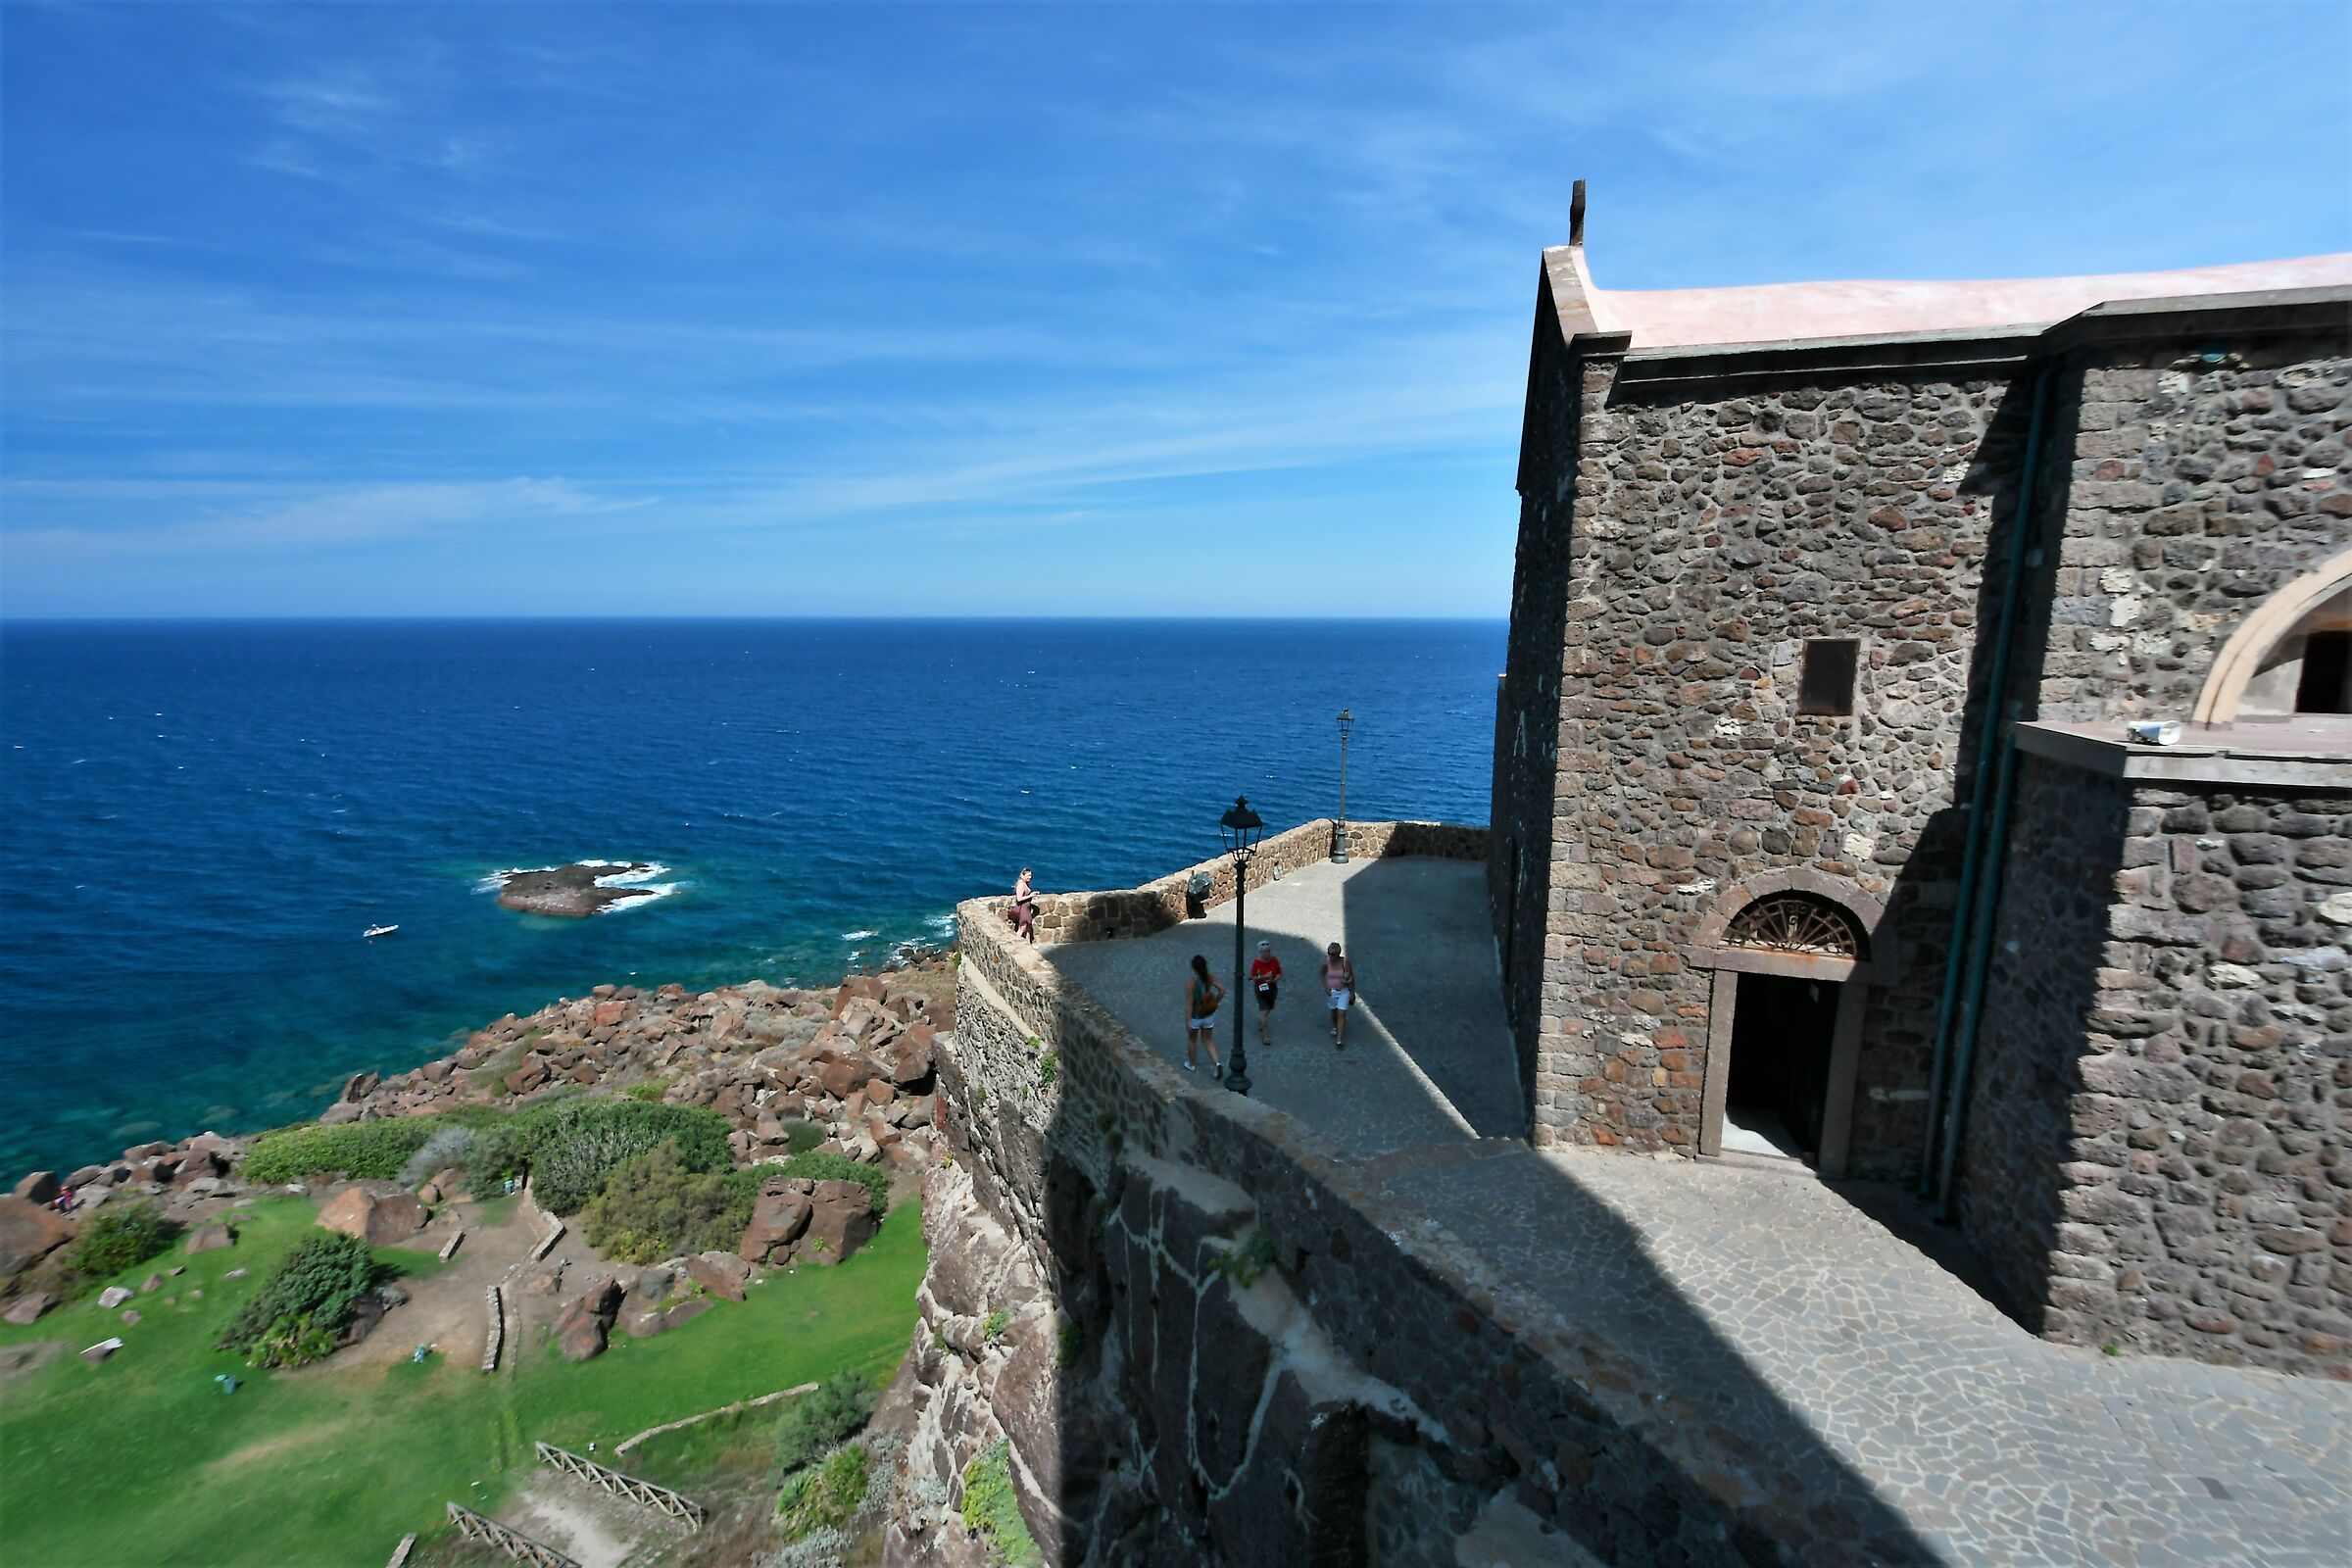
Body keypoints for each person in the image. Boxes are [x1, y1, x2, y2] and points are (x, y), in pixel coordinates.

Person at [1183, 954, 1225, 1078]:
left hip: (1196, 1016)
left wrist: (1188, 1021)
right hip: (1208, 1014)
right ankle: (1217, 1063)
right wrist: (1215, 1001)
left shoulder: (1191, 982)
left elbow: (1189, 1003)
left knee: (1192, 1040)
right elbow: (1222, 989)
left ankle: (1191, 1064)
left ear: (1193, 967)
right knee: (1208, 1040)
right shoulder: (1209, 977)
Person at [1321, 942, 1357, 1049]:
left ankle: (1339, 1040)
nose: (1330, 956)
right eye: (1329, 953)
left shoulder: (1345, 963)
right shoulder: (1327, 962)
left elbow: (1351, 978)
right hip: (1332, 992)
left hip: (1343, 991)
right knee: (1334, 1012)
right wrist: (1326, 986)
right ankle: (1336, 1027)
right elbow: (1322, 974)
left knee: (1341, 1013)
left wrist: (1352, 992)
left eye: (1332, 954)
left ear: (1338, 954)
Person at [1249, 939, 1282, 1046]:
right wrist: (1264, 976)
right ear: (1260, 952)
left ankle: (1263, 1023)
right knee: (1263, 1011)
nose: (1267, 953)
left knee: (1269, 1008)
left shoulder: (1274, 960)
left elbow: (1279, 973)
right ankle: (1265, 1035)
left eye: (1268, 951)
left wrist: (1274, 980)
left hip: (1272, 987)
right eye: (1264, 952)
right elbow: (1253, 977)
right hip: (1260, 988)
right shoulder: (1257, 962)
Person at [1011, 867, 1037, 942]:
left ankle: (1028, 944)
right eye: (1028, 876)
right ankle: (1015, 943)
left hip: (1027, 908)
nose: (1030, 877)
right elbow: (1019, 898)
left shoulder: (1025, 883)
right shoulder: (1021, 885)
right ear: (1023, 875)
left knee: (1028, 927)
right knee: (1022, 928)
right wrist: (1030, 896)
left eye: (1030, 876)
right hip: (1023, 909)